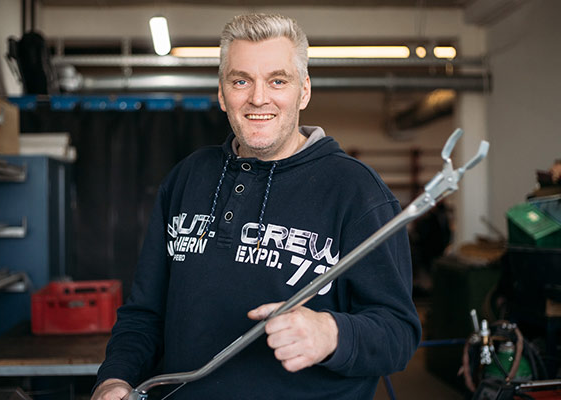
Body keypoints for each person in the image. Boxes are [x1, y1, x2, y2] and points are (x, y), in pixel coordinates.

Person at [92, 13, 421, 400]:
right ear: (222, 93)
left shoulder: (357, 191)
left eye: (278, 81)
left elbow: (399, 333)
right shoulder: (187, 179)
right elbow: (144, 314)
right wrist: (114, 378)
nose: (258, 98)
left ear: (304, 91)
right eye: (241, 81)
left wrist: (331, 334)